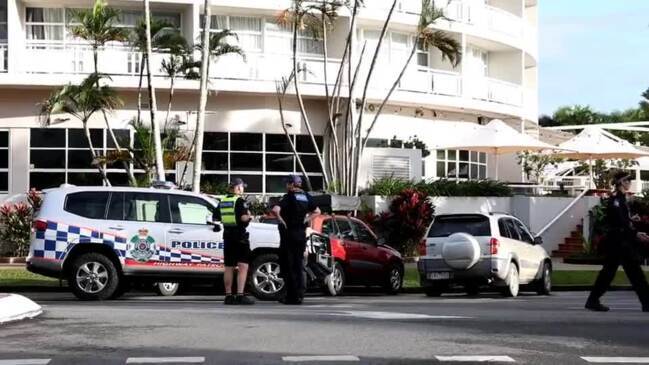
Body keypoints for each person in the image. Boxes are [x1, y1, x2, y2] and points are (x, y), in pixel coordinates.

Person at [585, 171, 649, 312]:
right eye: (627, 181)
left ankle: (593, 300)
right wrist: (636, 233)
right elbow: (619, 223)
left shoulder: (621, 199)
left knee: (613, 273)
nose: (629, 183)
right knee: (632, 273)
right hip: (618, 243)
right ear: (621, 182)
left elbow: (623, 221)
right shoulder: (616, 200)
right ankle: (646, 302)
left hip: (621, 242)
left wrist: (632, 221)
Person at [271, 175, 320, 304]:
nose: (286, 185)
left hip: (289, 234)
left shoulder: (288, 197)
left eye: (287, 183)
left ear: (292, 184)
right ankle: (299, 295)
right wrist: (305, 220)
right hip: (301, 234)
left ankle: (290, 296)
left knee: (288, 264)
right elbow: (317, 211)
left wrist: (282, 221)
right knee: (299, 265)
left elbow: (276, 210)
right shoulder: (306, 196)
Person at [220, 178, 255, 305]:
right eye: (241, 187)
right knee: (243, 266)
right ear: (238, 188)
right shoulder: (240, 201)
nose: (242, 189)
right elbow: (243, 217)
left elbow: (215, 217)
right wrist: (250, 216)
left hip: (227, 236)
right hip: (240, 237)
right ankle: (240, 295)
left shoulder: (223, 201)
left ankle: (228, 296)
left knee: (229, 267)